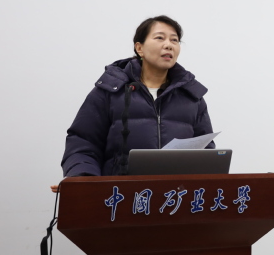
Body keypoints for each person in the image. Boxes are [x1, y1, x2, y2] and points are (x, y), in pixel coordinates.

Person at [59, 15, 215, 180]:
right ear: (139, 48)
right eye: (160, 38)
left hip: (176, 192)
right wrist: (81, 179)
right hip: (119, 192)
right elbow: (83, 143)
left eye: (174, 40)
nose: (168, 45)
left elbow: (206, 151)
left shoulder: (191, 96)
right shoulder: (110, 90)